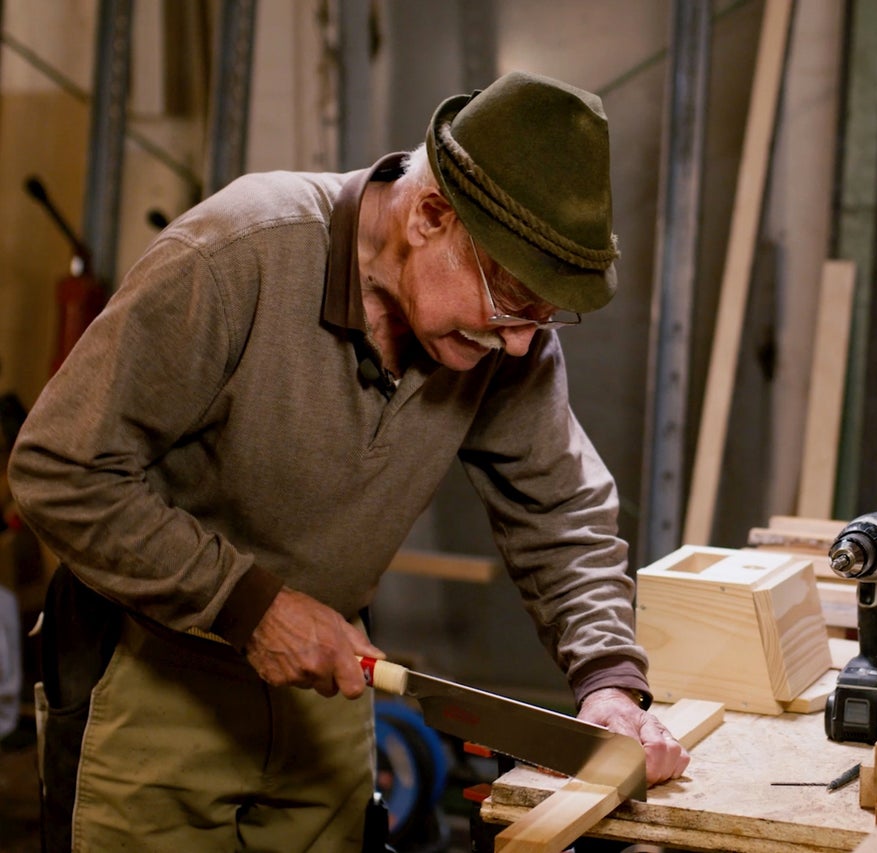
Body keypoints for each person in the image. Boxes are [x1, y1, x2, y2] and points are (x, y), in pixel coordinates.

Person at [7, 69, 690, 852]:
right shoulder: (237, 256)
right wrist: (249, 604)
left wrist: (607, 678)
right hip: (150, 673)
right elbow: (59, 467)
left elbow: (560, 510)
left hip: (326, 678)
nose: (518, 342)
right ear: (429, 215)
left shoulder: (508, 339)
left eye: (544, 315)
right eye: (508, 301)